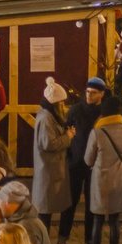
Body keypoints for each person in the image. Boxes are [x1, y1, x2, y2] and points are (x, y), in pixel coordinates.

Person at [83, 96, 122, 244]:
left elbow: (88, 160)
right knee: (114, 220)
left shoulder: (97, 133)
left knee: (98, 220)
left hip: (100, 180)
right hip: (119, 178)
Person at [57, 77, 103, 244]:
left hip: (95, 165)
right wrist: (69, 156)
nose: (89, 95)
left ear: (101, 94)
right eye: (88, 92)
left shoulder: (103, 113)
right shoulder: (76, 110)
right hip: (76, 162)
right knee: (70, 202)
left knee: (92, 204)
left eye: (94, 93)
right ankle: (62, 237)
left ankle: (90, 240)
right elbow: (67, 131)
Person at [31, 78, 74, 233]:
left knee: (47, 210)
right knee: (44, 212)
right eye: (61, 103)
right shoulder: (46, 118)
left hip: (52, 169)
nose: (63, 106)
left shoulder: (49, 116)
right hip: (48, 170)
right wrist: (67, 137)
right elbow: (49, 144)